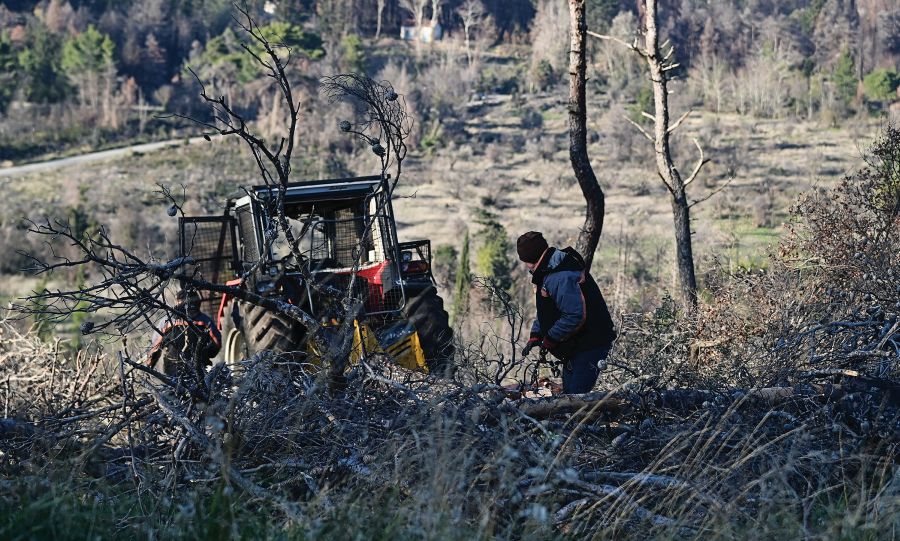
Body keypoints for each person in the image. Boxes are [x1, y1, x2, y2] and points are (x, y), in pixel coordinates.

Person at [518, 231, 616, 394]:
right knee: (568, 396)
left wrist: (550, 337)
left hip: (590, 344)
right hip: (575, 346)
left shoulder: (559, 276)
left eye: (525, 260)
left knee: (576, 399)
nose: (525, 265)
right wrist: (537, 333)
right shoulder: (547, 270)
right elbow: (547, 310)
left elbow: (574, 315)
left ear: (529, 258)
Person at [148, 288, 221, 392]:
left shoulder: (167, 321)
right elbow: (217, 343)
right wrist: (206, 354)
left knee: (176, 399)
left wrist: (149, 365)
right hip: (200, 371)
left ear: (178, 301)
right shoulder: (205, 320)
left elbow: (155, 349)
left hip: (173, 373)